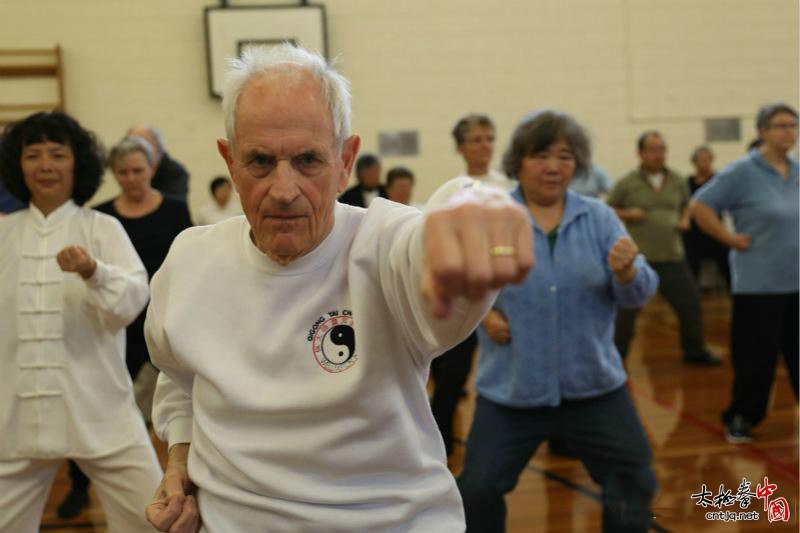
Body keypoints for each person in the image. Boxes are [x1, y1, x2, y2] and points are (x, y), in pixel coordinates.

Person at [143, 43, 533, 532]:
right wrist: (181, 458)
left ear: (346, 160)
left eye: (308, 161)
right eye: (260, 162)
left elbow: (434, 235)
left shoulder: (385, 245)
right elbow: (180, 378)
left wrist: (471, 208)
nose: (284, 191)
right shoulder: (189, 261)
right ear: (229, 161)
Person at [457, 109, 658, 533]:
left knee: (635, 476)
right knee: (477, 488)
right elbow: (463, 287)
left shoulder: (599, 218)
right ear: (519, 162)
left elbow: (642, 289)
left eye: (565, 156)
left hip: (594, 387)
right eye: (541, 155)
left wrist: (628, 274)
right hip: (513, 389)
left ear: (578, 164)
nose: (553, 167)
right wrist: (485, 318)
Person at [0, 111, 161, 532]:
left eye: (57, 154)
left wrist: (94, 271)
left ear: (78, 163)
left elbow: (132, 301)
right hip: (14, 415)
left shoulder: (102, 228)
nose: (46, 165)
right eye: (32, 155)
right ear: (18, 166)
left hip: (99, 408)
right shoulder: (4, 234)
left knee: (155, 518)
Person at [690, 102, 799, 443]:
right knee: (756, 358)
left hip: (796, 282)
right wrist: (728, 238)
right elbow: (700, 206)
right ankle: (742, 416)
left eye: (793, 125)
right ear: (763, 131)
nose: (789, 132)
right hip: (759, 285)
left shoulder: (796, 171)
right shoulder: (743, 172)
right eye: (781, 125)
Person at [608, 131, 719, 365]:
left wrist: (685, 218)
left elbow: (688, 205)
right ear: (640, 153)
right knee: (626, 313)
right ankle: (617, 355)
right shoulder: (627, 183)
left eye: (662, 149)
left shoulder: (677, 180)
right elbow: (607, 210)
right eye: (653, 150)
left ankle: (694, 350)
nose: (659, 155)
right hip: (638, 259)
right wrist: (628, 213)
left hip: (672, 256)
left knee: (690, 305)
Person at [682, 146, 730, 289]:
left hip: (715, 229)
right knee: (690, 264)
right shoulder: (687, 182)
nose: (704, 163)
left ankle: (734, 292)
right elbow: (684, 205)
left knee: (727, 260)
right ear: (694, 162)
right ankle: (692, 296)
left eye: (707, 159)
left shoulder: (719, 180)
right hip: (693, 232)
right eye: (700, 160)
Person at [451, 113, 516, 191]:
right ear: (460, 148)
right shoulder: (454, 189)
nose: (486, 146)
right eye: (477, 141)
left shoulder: (510, 186)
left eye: (490, 140)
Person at [127, 123, 190, 200]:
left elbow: (176, 205)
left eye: (142, 145)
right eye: (131, 145)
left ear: (158, 146)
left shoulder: (175, 171)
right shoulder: (129, 169)